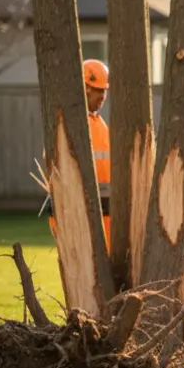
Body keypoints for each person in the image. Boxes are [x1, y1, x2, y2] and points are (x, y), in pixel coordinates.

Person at [47, 58, 112, 245]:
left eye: (104, 91)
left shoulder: (99, 124)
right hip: (78, 212)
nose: (102, 96)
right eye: (98, 90)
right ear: (85, 88)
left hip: (103, 212)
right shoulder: (70, 123)